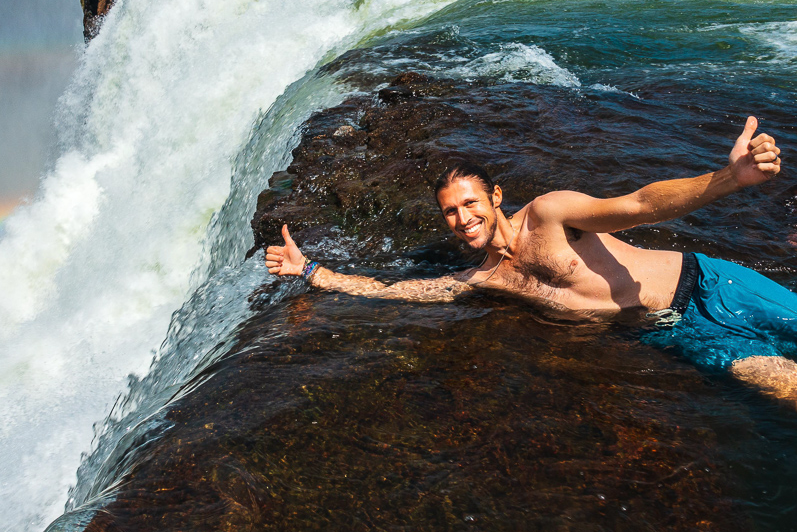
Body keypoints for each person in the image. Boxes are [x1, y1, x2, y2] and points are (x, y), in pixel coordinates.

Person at [266, 116, 797, 405]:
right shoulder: (480, 279)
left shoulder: (550, 214)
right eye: (450, 212)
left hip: (708, 285)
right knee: (782, 386)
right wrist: (311, 271)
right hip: (669, 330)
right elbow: (394, 292)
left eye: (470, 203)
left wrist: (728, 179)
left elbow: (637, 205)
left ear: (496, 197)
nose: (463, 218)